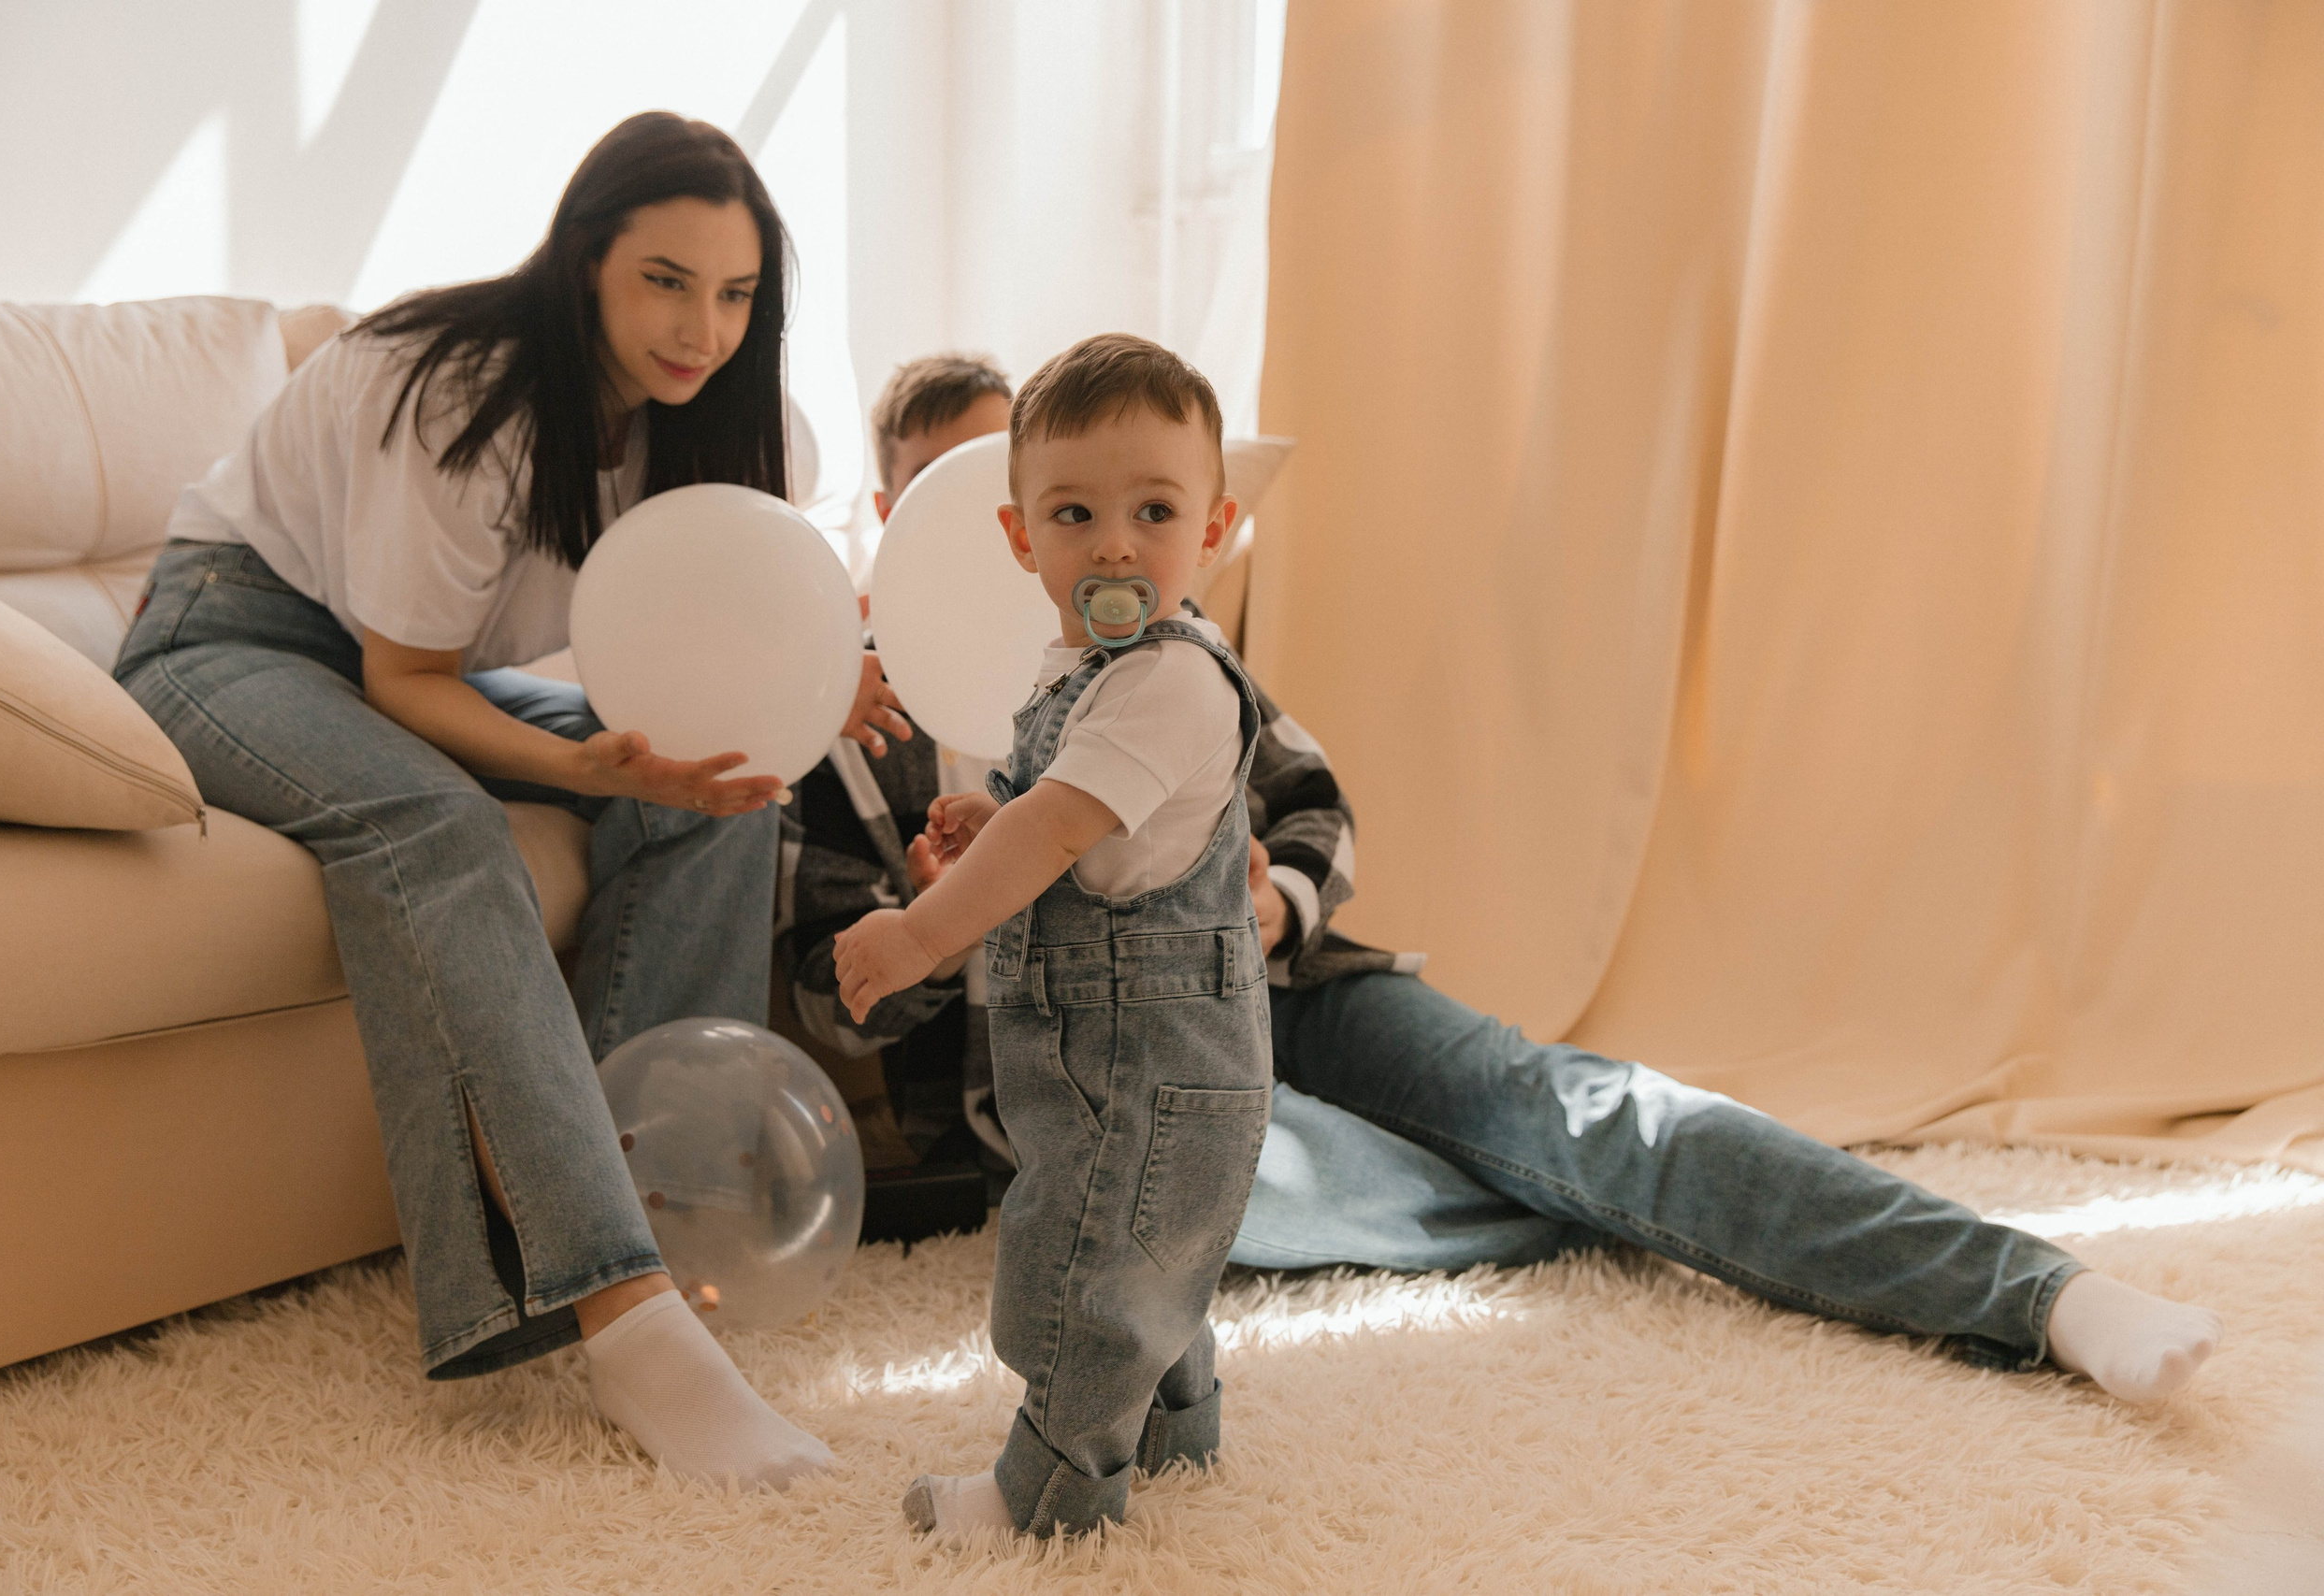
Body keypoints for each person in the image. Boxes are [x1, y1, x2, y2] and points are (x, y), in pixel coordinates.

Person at [791, 352, 2226, 1451]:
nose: (1099, 541)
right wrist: (947, 923)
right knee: (1273, 1214)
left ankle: (2038, 1291)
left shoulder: (1161, 651)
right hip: (1117, 1089)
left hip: (1297, 990)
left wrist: (1272, 901)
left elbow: (1314, 810)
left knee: (1581, 1115)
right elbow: (837, 997)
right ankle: (1617, 1203)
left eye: (1122, 503)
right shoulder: (856, 739)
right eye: (1038, 505)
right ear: (964, 521)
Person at [113, 113, 908, 1493]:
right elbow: (408, 677)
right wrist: (584, 765)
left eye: (735, 293)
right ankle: (626, 1316)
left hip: (397, 671)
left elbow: (714, 633)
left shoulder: (727, 419)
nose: (702, 329)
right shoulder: (456, 386)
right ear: (588, 254)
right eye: (666, 279)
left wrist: (810, 682)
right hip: (230, 636)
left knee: (723, 787)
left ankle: (652, 1212)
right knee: (443, 829)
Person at [834, 336, 1272, 1538]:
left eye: (1155, 510)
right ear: (1022, 538)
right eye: (1074, 514)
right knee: (1145, 1244)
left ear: (1215, 526)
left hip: (1147, 1046)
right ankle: (1175, 1434)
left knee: (1088, 1261)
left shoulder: (1173, 679)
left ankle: (1051, 1494)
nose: (1116, 544)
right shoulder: (1087, 663)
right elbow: (1078, 824)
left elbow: (1054, 829)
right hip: (1124, 1038)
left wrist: (921, 934)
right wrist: (993, 817)